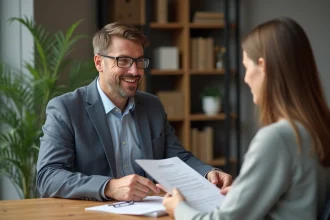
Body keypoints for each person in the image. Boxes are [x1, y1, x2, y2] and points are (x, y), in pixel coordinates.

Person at [36, 22, 232, 202]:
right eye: (123, 61)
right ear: (98, 63)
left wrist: (208, 173)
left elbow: (176, 157)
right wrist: (108, 187)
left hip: (149, 210)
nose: (135, 71)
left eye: (139, 61)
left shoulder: (152, 105)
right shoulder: (66, 109)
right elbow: (48, 176)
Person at [162, 17, 330, 219]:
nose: (245, 78)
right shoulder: (317, 128)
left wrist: (178, 207)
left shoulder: (277, 138)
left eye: (246, 67)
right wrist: (244, 194)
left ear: (262, 65)